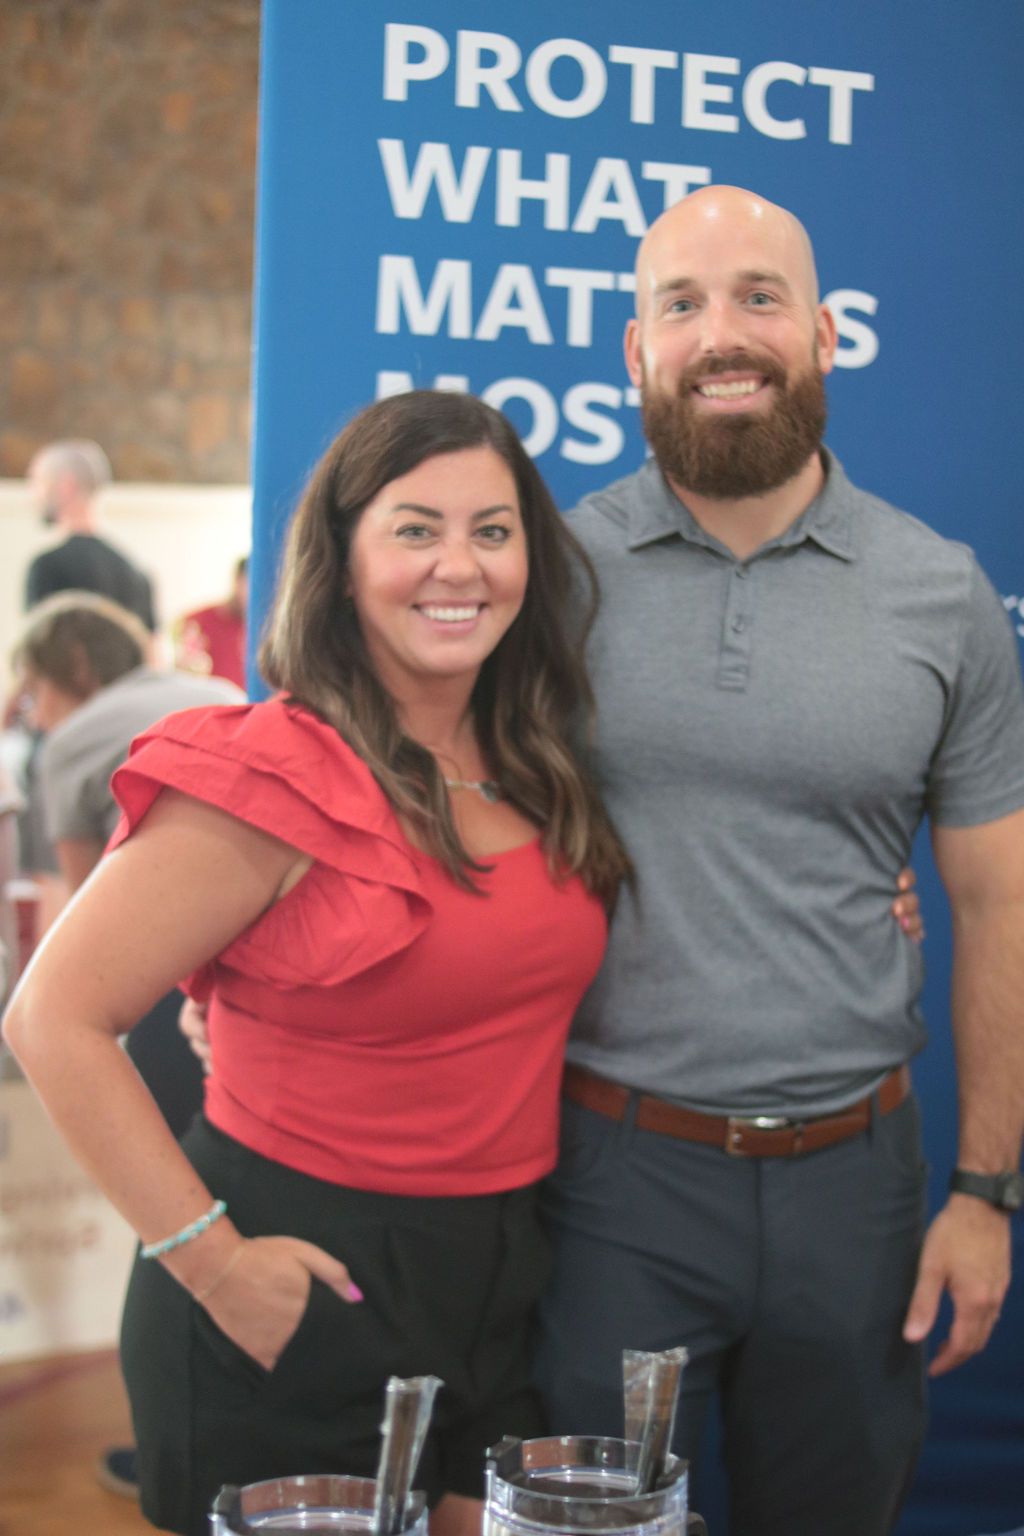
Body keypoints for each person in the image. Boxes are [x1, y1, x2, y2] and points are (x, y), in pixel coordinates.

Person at [2, 391, 631, 1536]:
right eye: (414, 528)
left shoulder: (540, 764)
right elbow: (52, 1018)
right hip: (298, 1270)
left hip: (502, 1271)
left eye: (493, 531)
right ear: (340, 563)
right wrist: (212, 1264)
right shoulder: (276, 771)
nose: (460, 565)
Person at [531, 186, 1024, 1536]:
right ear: (634, 352)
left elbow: (999, 905)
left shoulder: (944, 592)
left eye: (757, 298)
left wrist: (988, 1192)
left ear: (822, 335)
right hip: (611, 1181)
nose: (720, 334)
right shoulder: (546, 580)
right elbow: (425, 825)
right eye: (680, 305)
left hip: (857, 1195)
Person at [11, 591, 246, 1502]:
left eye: (32, 691)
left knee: (171, 1205)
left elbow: (85, 926)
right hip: (244, 995)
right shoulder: (215, 688)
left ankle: (174, 1454)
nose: (31, 713)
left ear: (69, 671)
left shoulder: (71, 746)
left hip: (153, 1002)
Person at [24, 440, 156, 631]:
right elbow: (151, 654)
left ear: (66, 485)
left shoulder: (46, 567)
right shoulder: (135, 572)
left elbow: (36, 652)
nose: (34, 495)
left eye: (38, 482)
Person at [174, 555, 249, 689]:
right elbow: (183, 672)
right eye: (250, 584)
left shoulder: (268, 627)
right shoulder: (197, 622)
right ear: (237, 581)